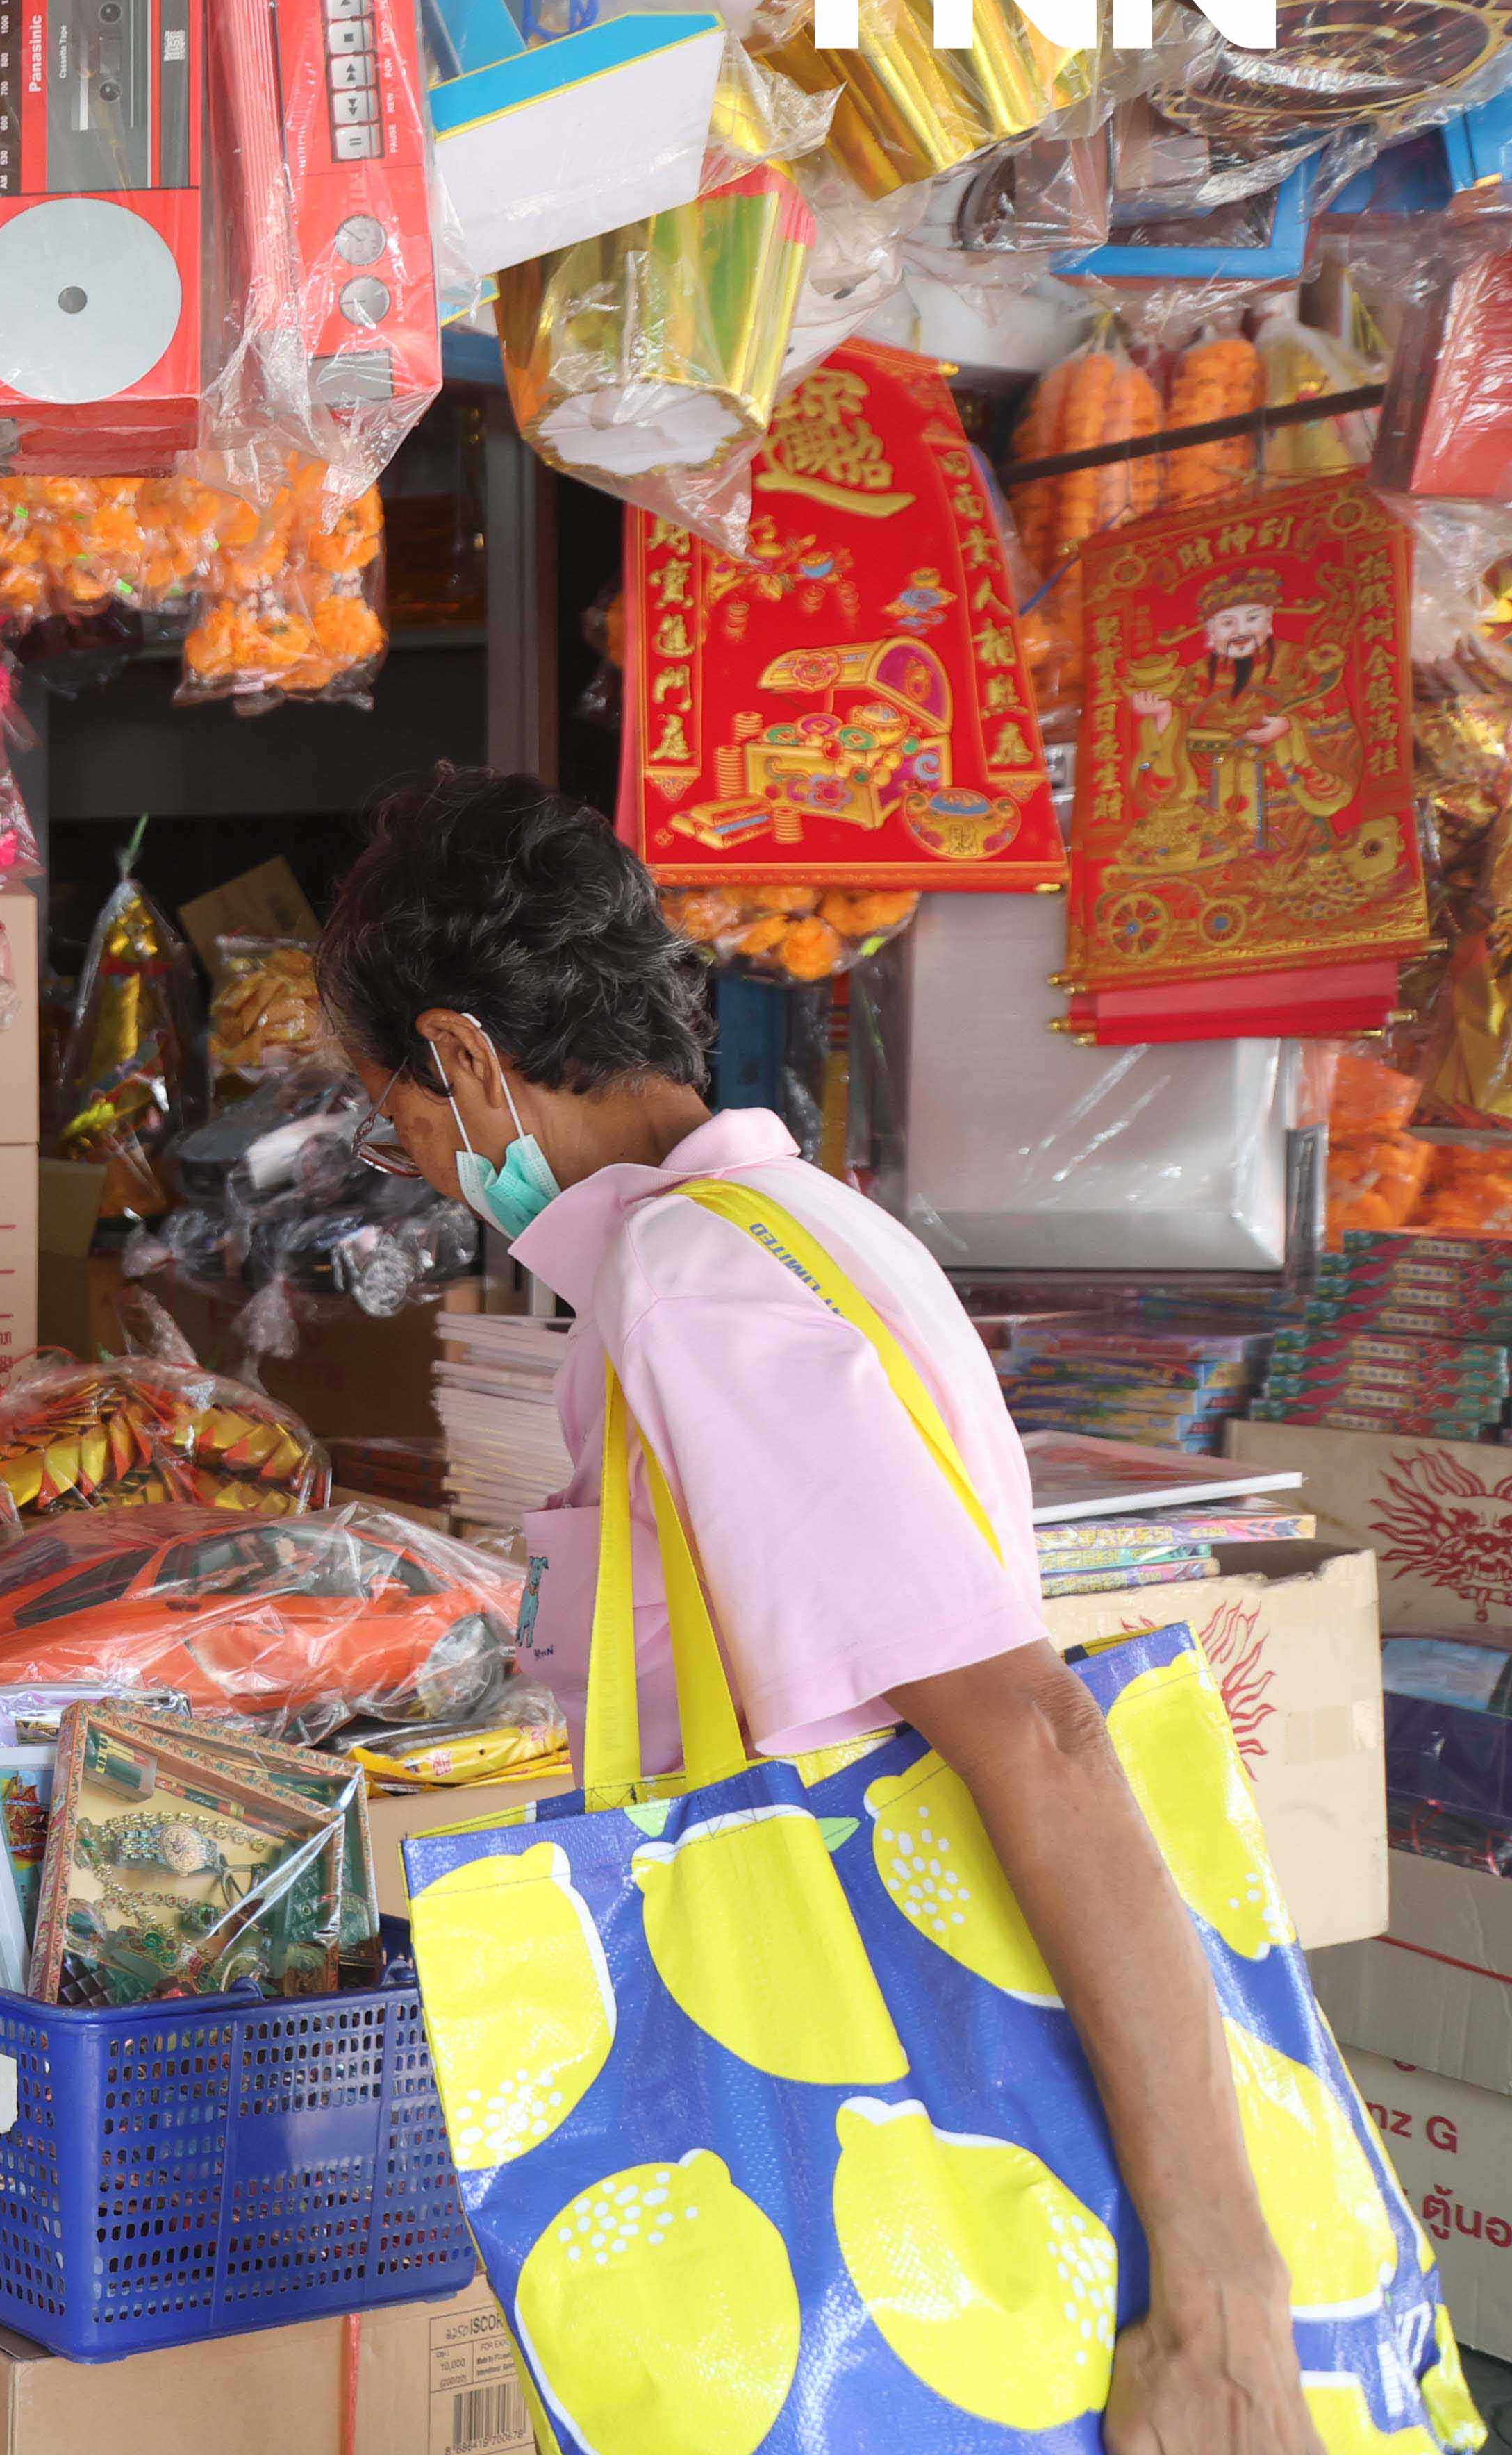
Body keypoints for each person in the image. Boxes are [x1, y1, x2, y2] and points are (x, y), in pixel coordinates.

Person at [318, 764, 1316, 2455]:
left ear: (469, 1055)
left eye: (392, 1111)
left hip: (869, 2092)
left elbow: (1040, 1729)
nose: (412, 1163)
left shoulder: (699, 1287)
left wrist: (1224, 2288)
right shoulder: (796, 1227)